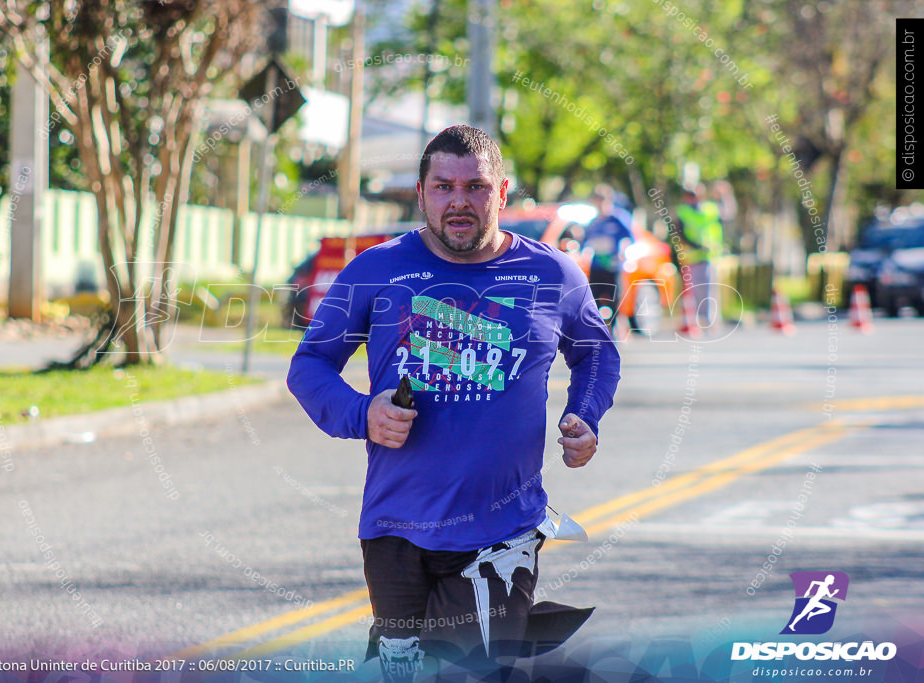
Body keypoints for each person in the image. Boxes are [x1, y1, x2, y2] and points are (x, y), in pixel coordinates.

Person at [287, 125, 621, 681]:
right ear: (421, 194)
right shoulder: (377, 270)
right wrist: (360, 414)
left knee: (462, 671)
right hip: (394, 527)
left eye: (476, 187)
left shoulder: (551, 273)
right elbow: (310, 365)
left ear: (503, 192)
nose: (459, 201)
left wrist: (584, 415)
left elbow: (596, 355)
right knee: (403, 670)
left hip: (502, 529)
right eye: (443, 187)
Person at [580, 185, 634, 329]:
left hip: (612, 266)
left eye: (603, 200)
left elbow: (630, 238)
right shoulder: (593, 223)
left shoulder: (617, 219)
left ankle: (614, 329)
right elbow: (584, 243)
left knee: (614, 299)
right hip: (597, 266)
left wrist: (623, 252)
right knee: (594, 299)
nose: (600, 204)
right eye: (597, 201)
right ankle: (599, 329)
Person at [674, 186, 725, 328]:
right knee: (695, 291)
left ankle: (710, 320)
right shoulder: (683, 212)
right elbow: (679, 233)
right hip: (692, 257)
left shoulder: (711, 209)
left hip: (710, 255)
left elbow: (725, 217)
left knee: (710, 290)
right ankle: (696, 320)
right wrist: (696, 246)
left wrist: (725, 196)